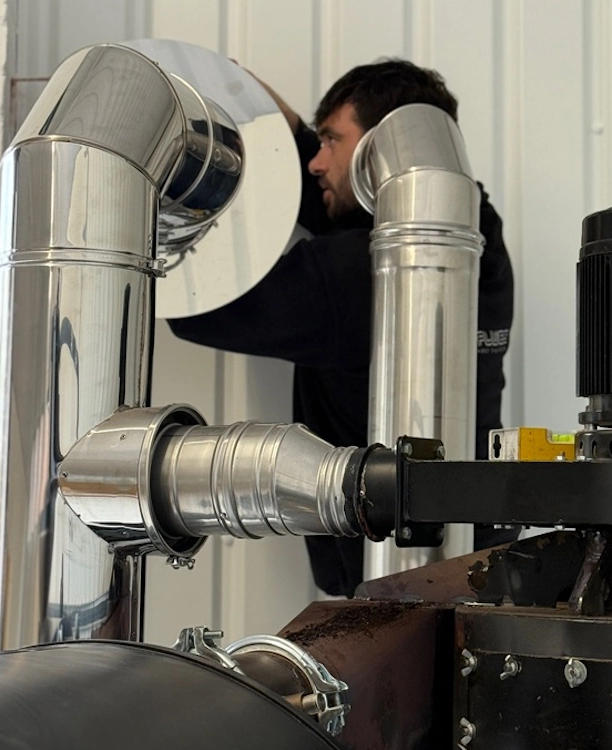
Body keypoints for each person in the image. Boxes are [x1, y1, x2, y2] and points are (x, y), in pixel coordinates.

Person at [168, 60, 515, 596]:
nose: (314, 162)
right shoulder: (475, 237)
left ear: (381, 146)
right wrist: (274, 119)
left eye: (331, 141)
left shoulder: (360, 272)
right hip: (478, 563)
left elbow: (196, 304)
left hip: (388, 581)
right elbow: (344, 204)